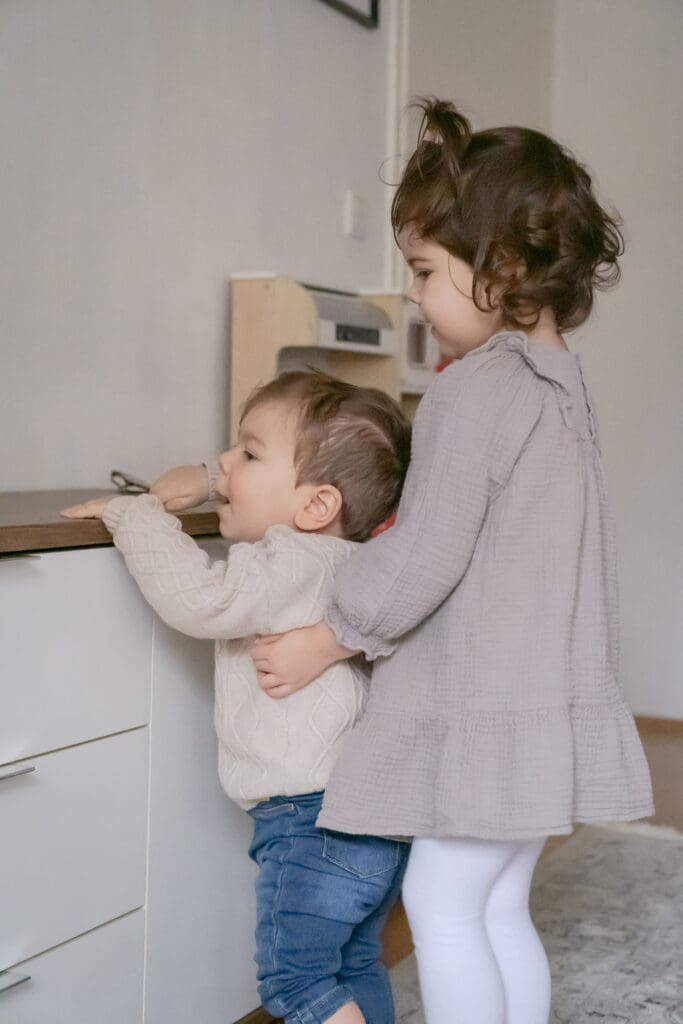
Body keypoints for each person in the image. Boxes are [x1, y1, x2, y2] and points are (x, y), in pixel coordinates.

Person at [250, 99, 655, 1024]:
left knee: (438, 901)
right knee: (497, 903)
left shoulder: (476, 389)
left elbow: (426, 553)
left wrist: (330, 634)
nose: (413, 296)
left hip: (487, 719)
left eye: (425, 271)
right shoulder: (561, 384)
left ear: (501, 267)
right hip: (542, 714)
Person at [61, 370, 412, 1024]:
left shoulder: (292, 557)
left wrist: (134, 515)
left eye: (248, 454)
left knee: (298, 986)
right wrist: (221, 480)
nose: (223, 463)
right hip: (373, 818)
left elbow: (202, 600)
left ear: (316, 507)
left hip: (312, 822)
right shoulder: (354, 561)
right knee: (354, 963)